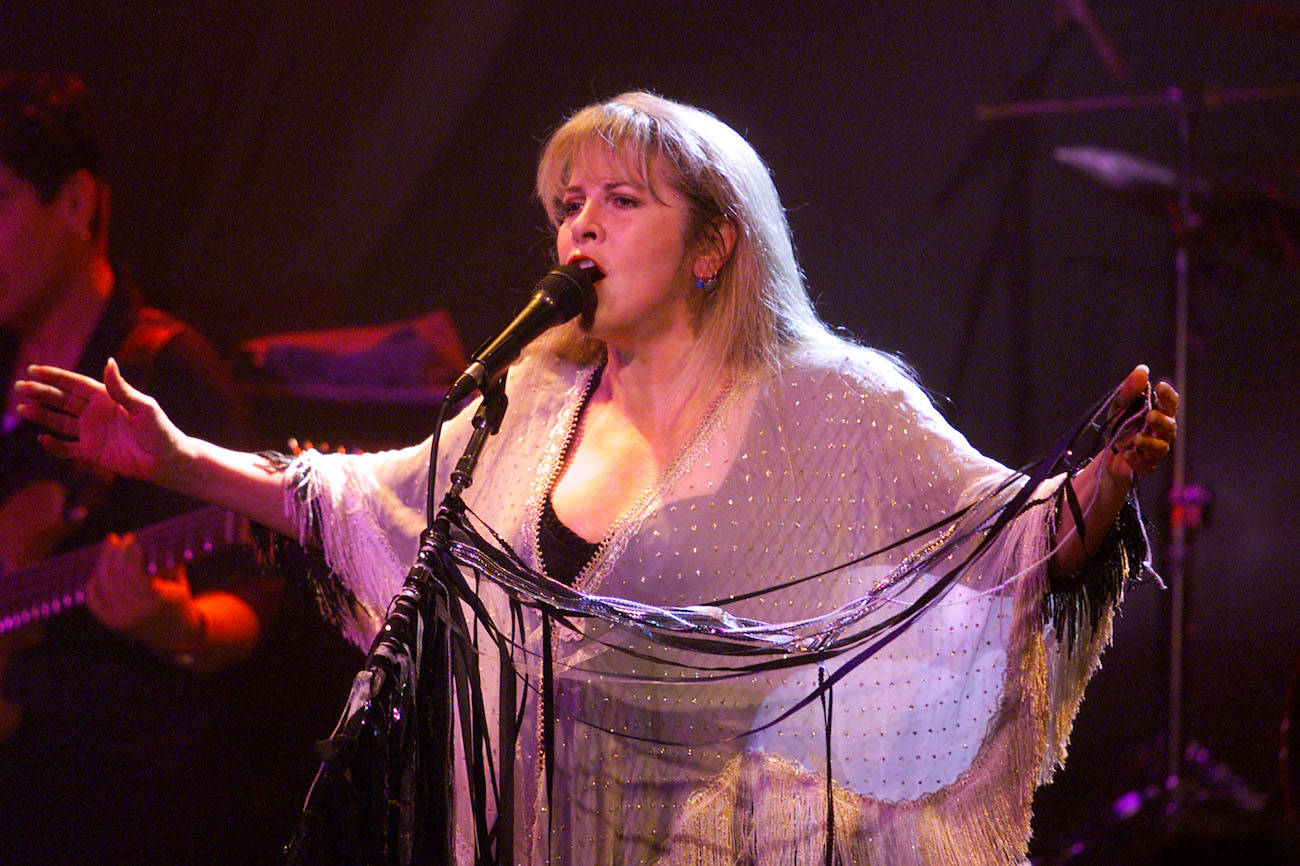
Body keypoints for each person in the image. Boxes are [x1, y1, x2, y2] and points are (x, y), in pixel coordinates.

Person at [15, 91, 1179, 864]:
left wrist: (1095, 490)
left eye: (623, 201)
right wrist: (175, 459)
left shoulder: (835, 401)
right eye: (569, 203)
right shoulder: (532, 396)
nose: (582, 226)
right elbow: (364, 500)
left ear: (716, 243)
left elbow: (993, 537)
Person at [0, 71, 285, 863]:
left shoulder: (165, 371)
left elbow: (252, 604)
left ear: (77, 203)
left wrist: (176, 623)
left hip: (108, 809)